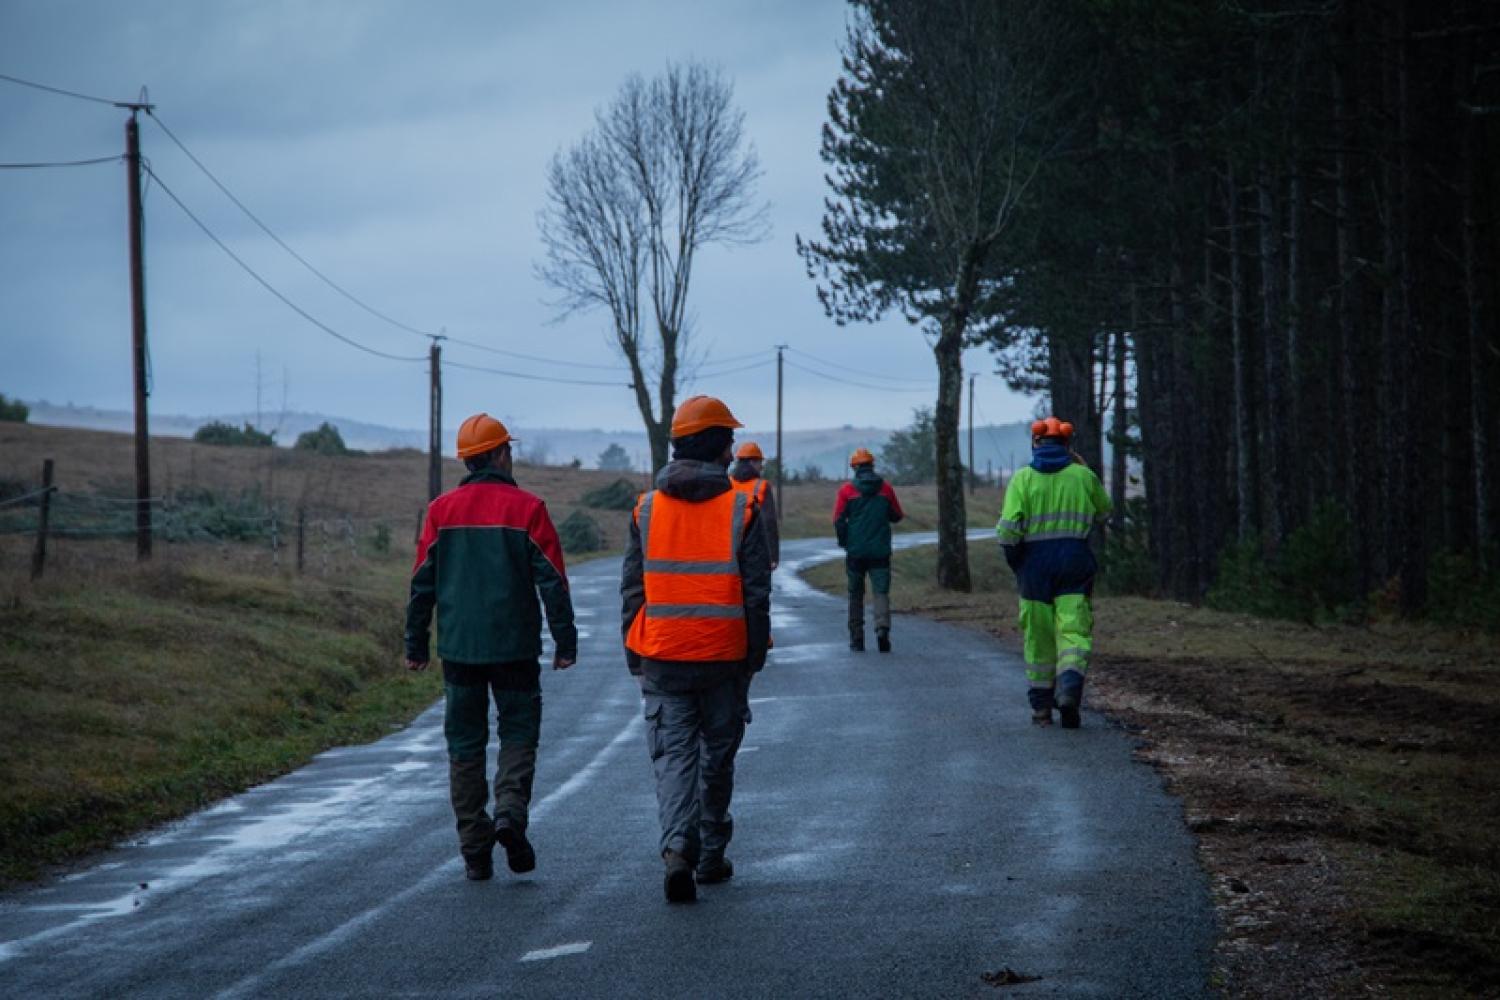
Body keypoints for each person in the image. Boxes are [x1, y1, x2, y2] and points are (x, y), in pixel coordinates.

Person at [405, 413, 578, 881]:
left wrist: (416, 643)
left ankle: (474, 851)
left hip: (459, 650)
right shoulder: (529, 509)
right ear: (501, 454)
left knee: (464, 745)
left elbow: (421, 584)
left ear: (466, 460)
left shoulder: (440, 511)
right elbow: (553, 582)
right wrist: (565, 641)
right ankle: (509, 813)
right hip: (516, 649)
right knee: (518, 735)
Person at [621, 395, 773, 903]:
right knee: (716, 758)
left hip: (662, 655)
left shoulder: (645, 508)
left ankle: (678, 848)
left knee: (674, 757)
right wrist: (753, 657)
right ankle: (709, 854)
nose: (733, 448)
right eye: (728, 439)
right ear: (715, 445)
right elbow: (756, 593)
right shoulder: (742, 507)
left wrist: (633, 653)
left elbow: (632, 591)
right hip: (724, 657)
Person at [996, 417, 1112, 729]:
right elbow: (1105, 512)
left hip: (1034, 567)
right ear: (1067, 445)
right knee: (1073, 631)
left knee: (1038, 639)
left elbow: (1007, 531)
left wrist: (1017, 562)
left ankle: (1041, 710)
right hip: (1074, 561)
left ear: (1035, 444)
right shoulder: (1083, 476)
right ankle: (1070, 690)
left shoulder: (1021, 480)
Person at [833, 448, 904, 652]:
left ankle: (857, 638)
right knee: (881, 592)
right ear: (872, 465)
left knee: (855, 593)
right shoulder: (886, 489)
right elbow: (897, 515)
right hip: (880, 551)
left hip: (855, 552)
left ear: (854, 467)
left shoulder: (847, 491)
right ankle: (882, 629)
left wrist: (844, 541)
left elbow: (838, 520)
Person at [729, 441, 779, 569]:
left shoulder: (728, 483)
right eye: (760, 463)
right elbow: (769, 522)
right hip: (756, 550)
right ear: (752, 462)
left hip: (730, 548)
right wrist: (773, 556)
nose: (761, 467)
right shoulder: (762, 486)